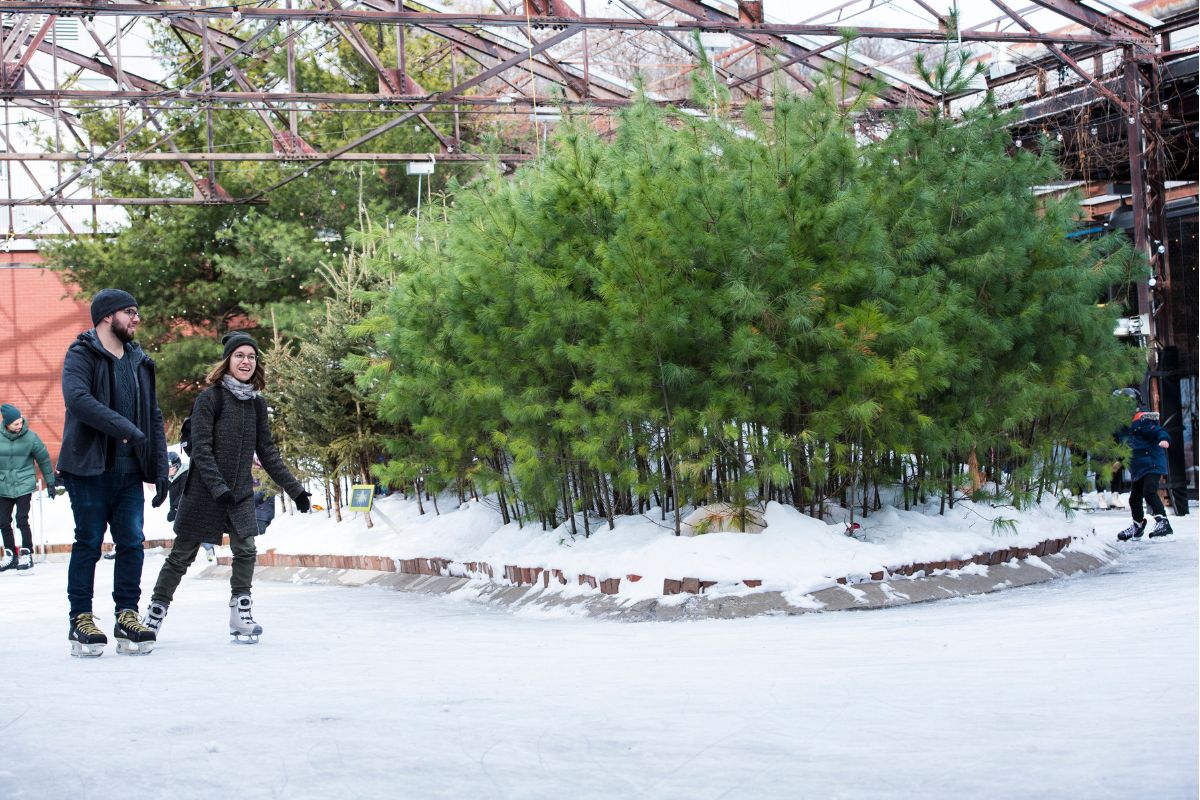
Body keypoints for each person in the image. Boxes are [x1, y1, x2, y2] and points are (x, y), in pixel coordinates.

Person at [144, 331, 310, 644]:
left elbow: (267, 452)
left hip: (239, 493)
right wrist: (218, 487)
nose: (246, 361)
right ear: (228, 361)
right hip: (204, 491)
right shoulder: (211, 398)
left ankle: (240, 611)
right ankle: (155, 612)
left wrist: (296, 490)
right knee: (181, 555)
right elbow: (201, 449)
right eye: (240, 356)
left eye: (251, 356)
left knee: (246, 550)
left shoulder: (256, 404)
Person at [59, 288, 168, 657]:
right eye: (129, 312)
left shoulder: (138, 359)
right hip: (88, 468)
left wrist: (159, 468)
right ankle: (81, 619)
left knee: (132, 542)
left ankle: (126, 615)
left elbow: (153, 416)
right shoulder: (82, 354)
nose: (136, 319)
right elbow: (78, 400)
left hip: (129, 471)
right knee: (89, 542)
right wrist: (125, 428)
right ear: (107, 316)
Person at [0, 404, 57, 572]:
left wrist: (50, 482)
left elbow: (44, 459)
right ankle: (10, 555)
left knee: (22, 519)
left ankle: (27, 553)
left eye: (20, 422)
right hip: (3, 485)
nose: (20, 425)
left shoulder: (31, 437)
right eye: (16, 424)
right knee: (3, 521)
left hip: (24, 484)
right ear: (7, 423)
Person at [1116, 399, 1173, 541]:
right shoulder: (1123, 428)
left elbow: (1158, 431)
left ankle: (1163, 522)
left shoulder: (1143, 421)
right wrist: (1119, 461)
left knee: (1149, 491)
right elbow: (1126, 447)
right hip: (1138, 468)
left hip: (1152, 463)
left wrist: (1164, 439)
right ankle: (1138, 526)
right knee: (1134, 498)